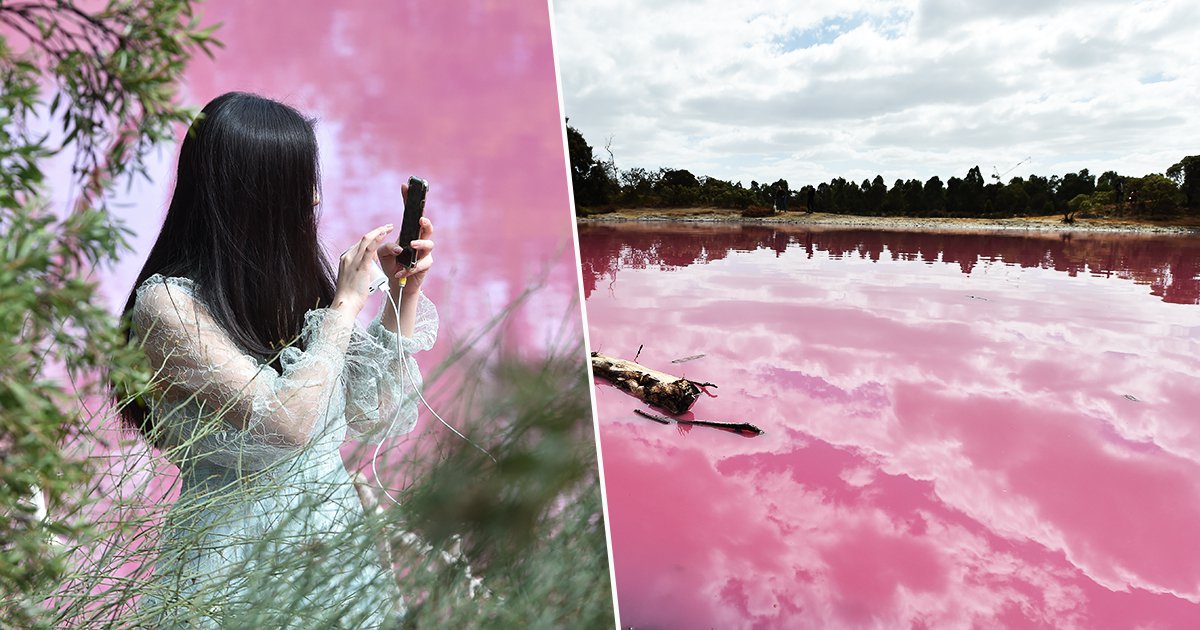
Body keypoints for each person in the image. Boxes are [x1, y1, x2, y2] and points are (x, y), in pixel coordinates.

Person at [113, 91, 437, 627]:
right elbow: (285, 423)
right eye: (299, 181)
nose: (314, 198)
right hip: (233, 564)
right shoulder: (168, 304)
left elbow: (374, 412)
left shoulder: (292, 284)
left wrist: (403, 294)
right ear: (254, 193)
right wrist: (345, 303)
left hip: (334, 551)